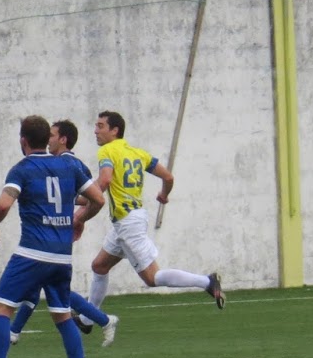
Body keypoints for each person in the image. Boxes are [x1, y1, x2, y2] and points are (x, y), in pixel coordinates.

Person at [0, 115, 106, 358]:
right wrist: (78, 220)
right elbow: (98, 199)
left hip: (32, 254)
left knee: (1, 310)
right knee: (62, 316)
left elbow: (3, 204)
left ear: (23, 140)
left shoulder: (22, 169)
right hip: (62, 257)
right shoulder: (70, 166)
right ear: (46, 139)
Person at [83, 111, 223, 320]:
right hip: (130, 219)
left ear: (115, 130)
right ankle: (86, 319)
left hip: (128, 222)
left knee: (152, 277)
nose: (96, 130)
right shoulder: (137, 153)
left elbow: (104, 181)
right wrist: (163, 195)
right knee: (99, 266)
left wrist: (84, 197)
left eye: (100, 126)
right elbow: (168, 177)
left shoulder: (107, 151)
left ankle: (207, 281)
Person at [8, 119, 117, 346]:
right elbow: (79, 196)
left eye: (52, 135)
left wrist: (79, 218)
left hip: (55, 232)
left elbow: (91, 196)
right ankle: (14, 331)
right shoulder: (64, 163)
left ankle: (105, 320)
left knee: (50, 286)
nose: (48, 140)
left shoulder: (68, 163)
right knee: (48, 286)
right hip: (55, 232)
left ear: (63, 139)